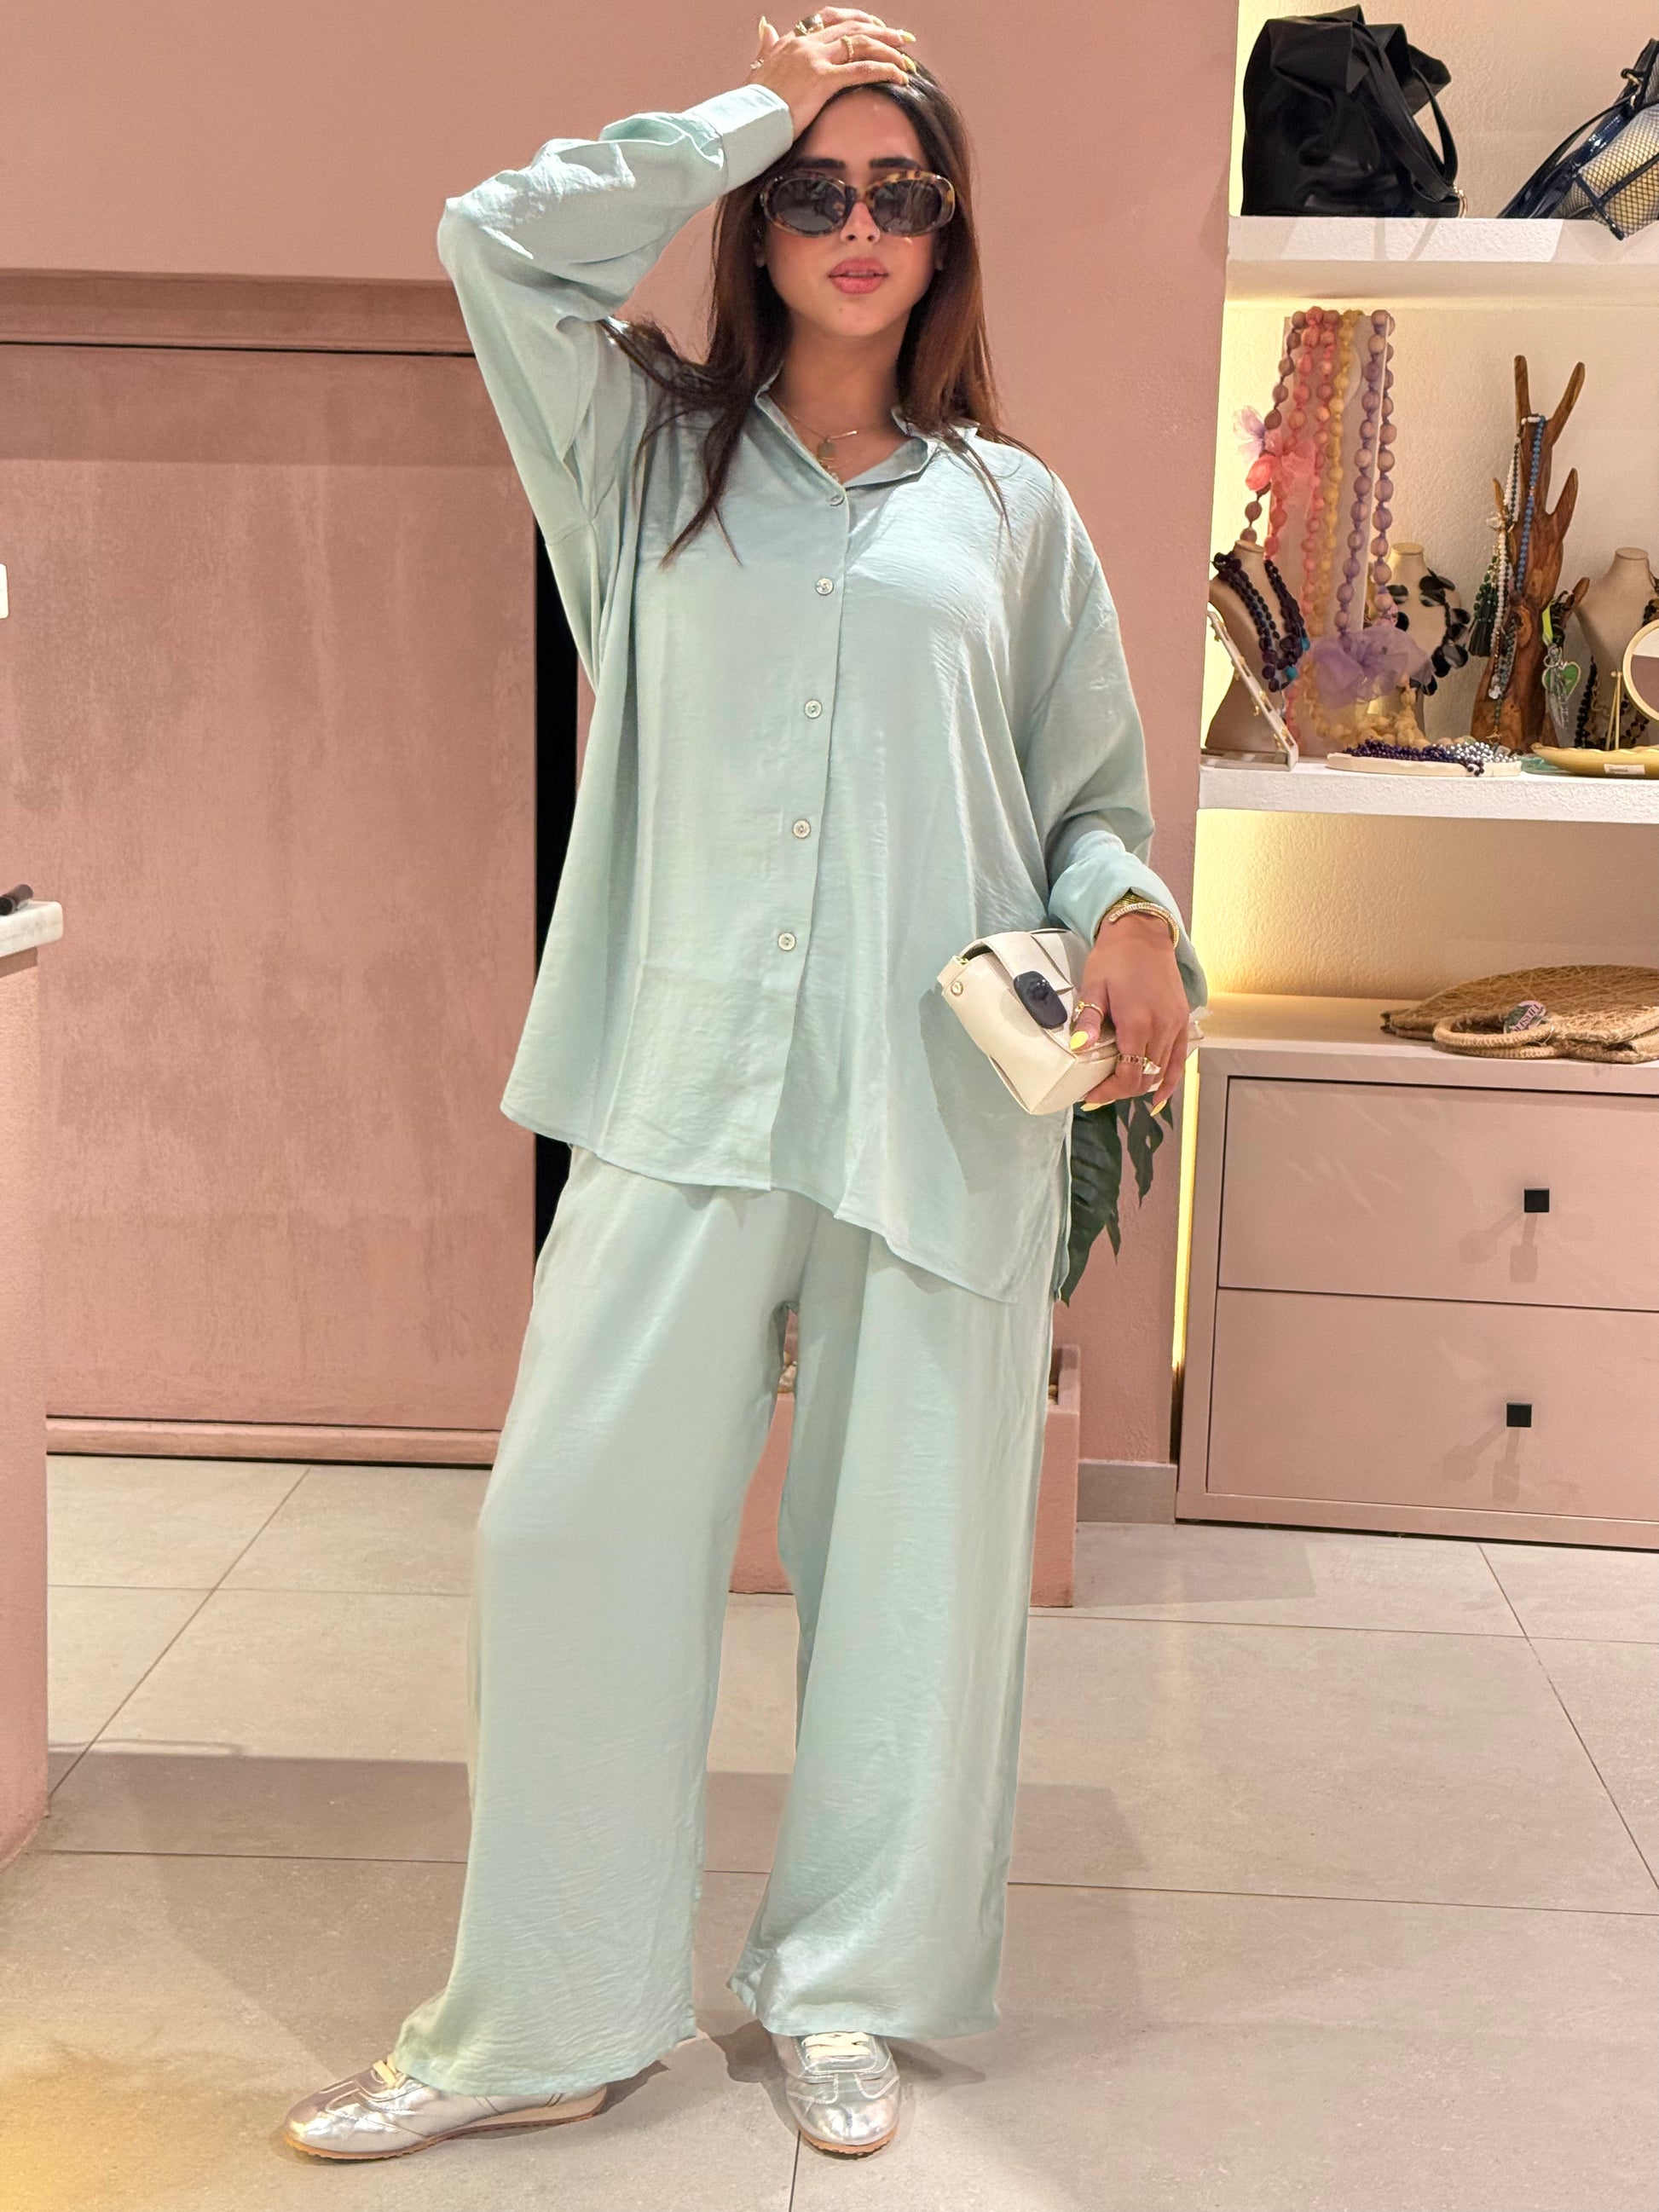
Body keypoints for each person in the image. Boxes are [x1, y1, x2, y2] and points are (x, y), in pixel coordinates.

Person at [282, 9, 1206, 2167]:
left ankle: (845, 1982)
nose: (856, 220)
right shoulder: (638, 456)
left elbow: (1085, 793)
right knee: (569, 1540)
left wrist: (1134, 908)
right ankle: (548, 2014)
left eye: (898, 189)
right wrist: (741, 112)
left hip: (934, 1107)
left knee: (911, 1580)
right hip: (682, 1081)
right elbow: (494, 239)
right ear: (759, 223)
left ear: (947, 230)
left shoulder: (1014, 511)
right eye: (815, 188)